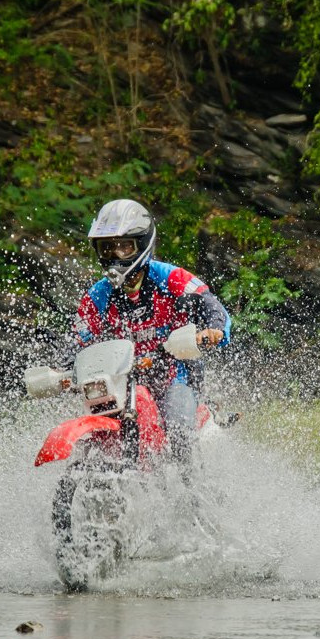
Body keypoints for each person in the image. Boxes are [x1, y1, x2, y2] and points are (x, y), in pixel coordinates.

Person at [74, 198, 230, 464]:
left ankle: (192, 495)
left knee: (180, 431)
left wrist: (213, 330)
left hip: (174, 376)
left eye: (124, 247)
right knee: (92, 435)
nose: (115, 256)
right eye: (107, 248)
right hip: (119, 383)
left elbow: (211, 304)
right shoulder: (97, 295)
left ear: (143, 243)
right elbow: (77, 339)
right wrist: (63, 368)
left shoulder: (170, 278)